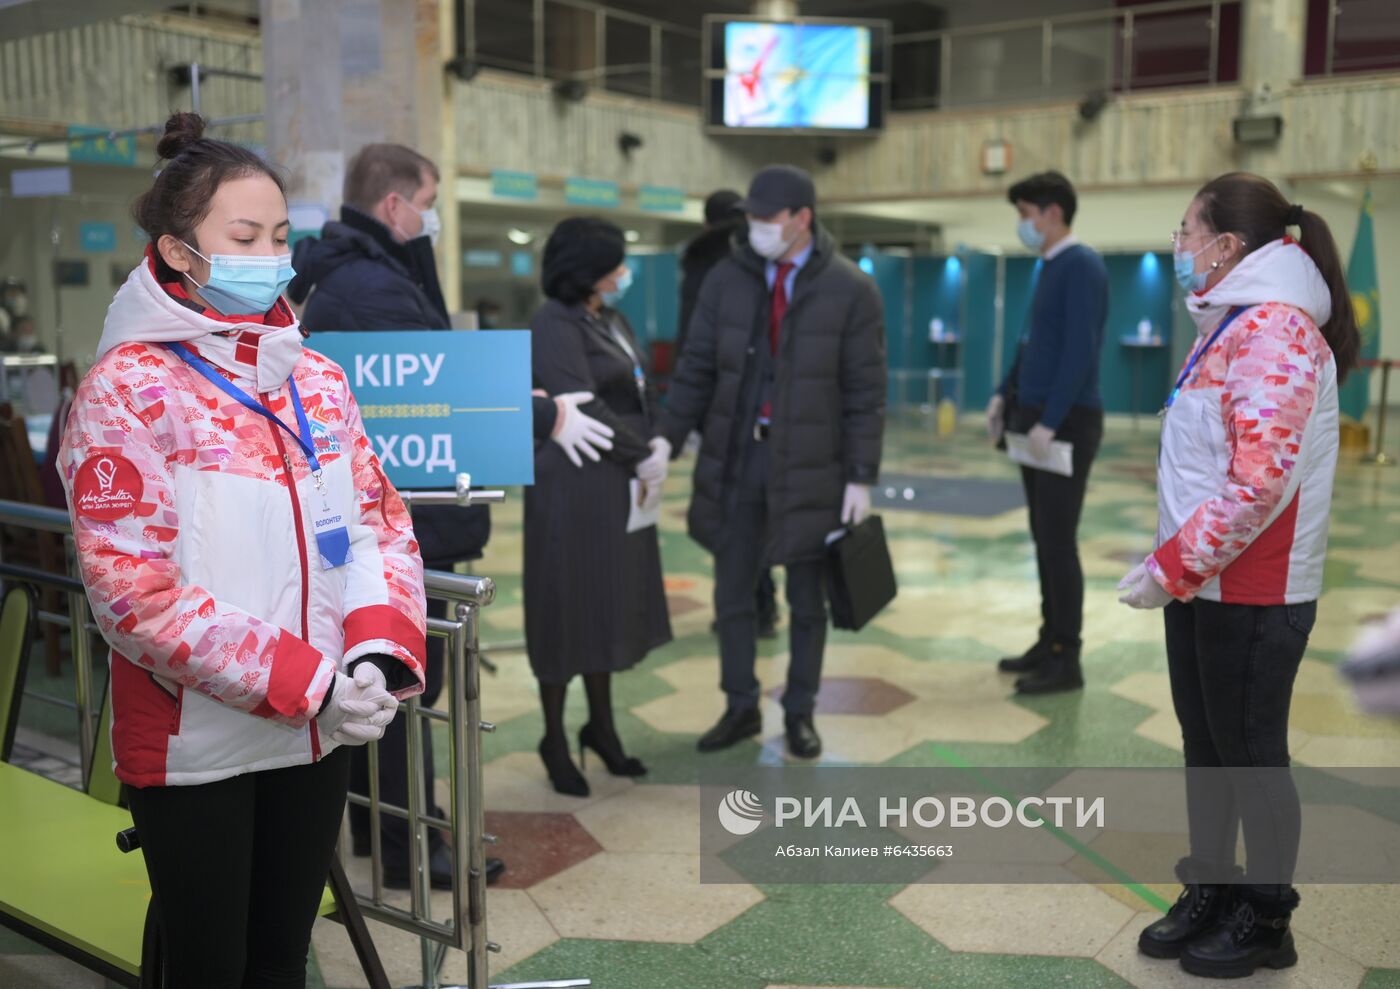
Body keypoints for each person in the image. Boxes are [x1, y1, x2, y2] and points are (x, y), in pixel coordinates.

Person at [58, 112, 425, 988]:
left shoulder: (318, 381)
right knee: (206, 965)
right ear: (181, 251)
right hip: (196, 746)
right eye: (245, 235)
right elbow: (134, 594)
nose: (272, 253)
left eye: (280, 234)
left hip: (316, 737)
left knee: (280, 959)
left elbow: (380, 522)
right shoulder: (128, 390)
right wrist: (308, 681)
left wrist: (373, 655)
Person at [1119, 172, 1359, 978]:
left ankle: (1265, 917)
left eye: (1187, 231)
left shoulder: (1277, 332)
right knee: (1207, 745)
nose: (1179, 246)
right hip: (1204, 584)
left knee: (1251, 750)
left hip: (1257, 588)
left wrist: (1170, 564)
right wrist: (1178, 570)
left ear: (1228, 246)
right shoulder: (1229, 325)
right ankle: (1213, 890)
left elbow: (1261, 481)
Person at [657, 164, 886, 760]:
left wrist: (861, 475)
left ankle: (801, 712)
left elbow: (866, 391)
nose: (757, 227)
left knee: (808, 600)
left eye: (769, 218)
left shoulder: (852, 289)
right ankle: (739, 707)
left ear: (802, 218)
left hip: (814, 466)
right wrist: (666, 436)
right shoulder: (725, 281)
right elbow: (696, 367)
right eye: (751, 217)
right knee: (733, 593)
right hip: (739, 457)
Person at [525, 217, 673, 796]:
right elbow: (582, 405)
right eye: (615, 262)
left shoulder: (610, 318)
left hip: (615, 485)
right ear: (587, 270)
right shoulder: (553, 324)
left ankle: (602, 728)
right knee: (567, 606)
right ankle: (554, 738)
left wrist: (656, 438)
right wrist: (641, 453)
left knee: (606, 605)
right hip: (573, 487)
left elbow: (641, 385)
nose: (623, 271)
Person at [987, 170, 1108, 695]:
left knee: (1058, 541)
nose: (1023, 224)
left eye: (1025, 214)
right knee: (1043, 536)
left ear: (1052, 212)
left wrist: (1051, 420)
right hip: (1035, 417)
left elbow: (1079, 352)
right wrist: (1002, 391)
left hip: (1066, 421)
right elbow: (1031, 341)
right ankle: (1048, 638)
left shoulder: (1082, 265)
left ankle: (1068, 656)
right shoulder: (1048, 265)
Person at [680, 188, 780, 641]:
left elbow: (693, 348)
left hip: (719, 409)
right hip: (764, 411)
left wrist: (687, 420)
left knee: (727, 512)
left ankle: (741, 606)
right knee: (759, 509)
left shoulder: (705, 266)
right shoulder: (762, 262)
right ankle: (765, 601)